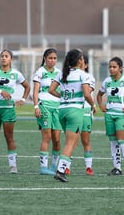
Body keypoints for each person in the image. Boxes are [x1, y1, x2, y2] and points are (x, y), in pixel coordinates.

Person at [48, 49, 95, 182]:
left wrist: (62, 96)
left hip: (62, 110)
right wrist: (93, 105)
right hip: (75, 111)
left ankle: (63, 168)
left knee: (71, 142)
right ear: (80, 61)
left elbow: (51, 90)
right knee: (70, 143)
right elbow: (87, 94)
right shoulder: (82, 75)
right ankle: (60, 170)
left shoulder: (62, 74)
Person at [0, 49, 30, 174]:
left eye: (6, 56)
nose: (4, 58)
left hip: (8, 109)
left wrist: (23, 99)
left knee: (9, 137)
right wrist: (0, 91)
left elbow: (27, 86)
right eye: (2, 56)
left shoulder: (16, 74)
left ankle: (13, 166)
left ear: (11, 59)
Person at [96, 56, 124, 176]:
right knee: (113, 141)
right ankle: (117, 168)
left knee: (121, 140)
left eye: (114, 67)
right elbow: (99, 95)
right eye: (110, 67)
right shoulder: (107, 81)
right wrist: (101, 105)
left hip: (122, 115)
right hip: (109, 114)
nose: (111, 69)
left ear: (120, 68)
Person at [32, 48, 63, 175]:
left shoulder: (59, 73)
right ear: (45, 58)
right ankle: (43, 167)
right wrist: (36, 106)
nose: (52, 60)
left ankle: (54, 166)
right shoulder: (40, 72)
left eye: (55, 58)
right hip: (44, 106)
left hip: (57, 107)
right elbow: (35, 92)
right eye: (50, 58)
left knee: (57, 139)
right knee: (47, 136)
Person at [64, 54, 96, 176]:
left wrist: (92, 105)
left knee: (85, 140)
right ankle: (66, 167)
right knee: (71, 141)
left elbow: (87, 92)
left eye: (83, 61)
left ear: (86, 65)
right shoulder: (69, 75)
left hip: (86, 111)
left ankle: (88, 167)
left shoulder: (88, 77)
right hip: (74, 110)